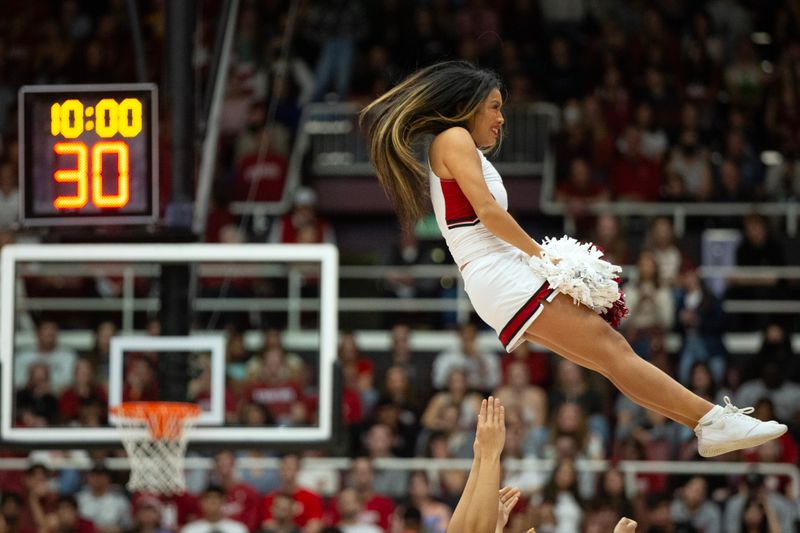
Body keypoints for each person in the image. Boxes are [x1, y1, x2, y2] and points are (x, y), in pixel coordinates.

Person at [359, 60, 786, 458]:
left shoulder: (457, 145)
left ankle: (706, 425)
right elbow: (488, 213)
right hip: (500, 273)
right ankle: (712, 420)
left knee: (610, 358)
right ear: (466, 107)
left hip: (495, 278)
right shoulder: (453, 139)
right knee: (614, 351)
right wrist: (545, 257)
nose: (501, 118)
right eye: (493, 107)